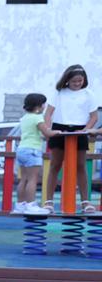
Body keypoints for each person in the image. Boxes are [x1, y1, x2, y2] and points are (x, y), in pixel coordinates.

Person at [45, 65, 98, 211]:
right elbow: (48, 113)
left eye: (80, 81)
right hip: (59, 128)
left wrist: (85, 130)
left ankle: (85, 202)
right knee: (55, 164)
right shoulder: (59, 92)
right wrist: (49, 130)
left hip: (79, 130)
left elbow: (94, 116)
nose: (77, 84)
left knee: (80, 165)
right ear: (67, 80)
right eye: (74, 81)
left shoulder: (89, 94)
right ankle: (48, 201)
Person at [14, 93, 48, 214]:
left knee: (23, 179)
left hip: (22, 149)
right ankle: (31, 205)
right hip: (33, 149)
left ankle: (20, 205)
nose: (45, 106)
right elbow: (46, 133)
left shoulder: (25, 118)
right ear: (39, 106)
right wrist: (58, 133)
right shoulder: (38, 118)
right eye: (43, 104)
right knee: (33, 179)